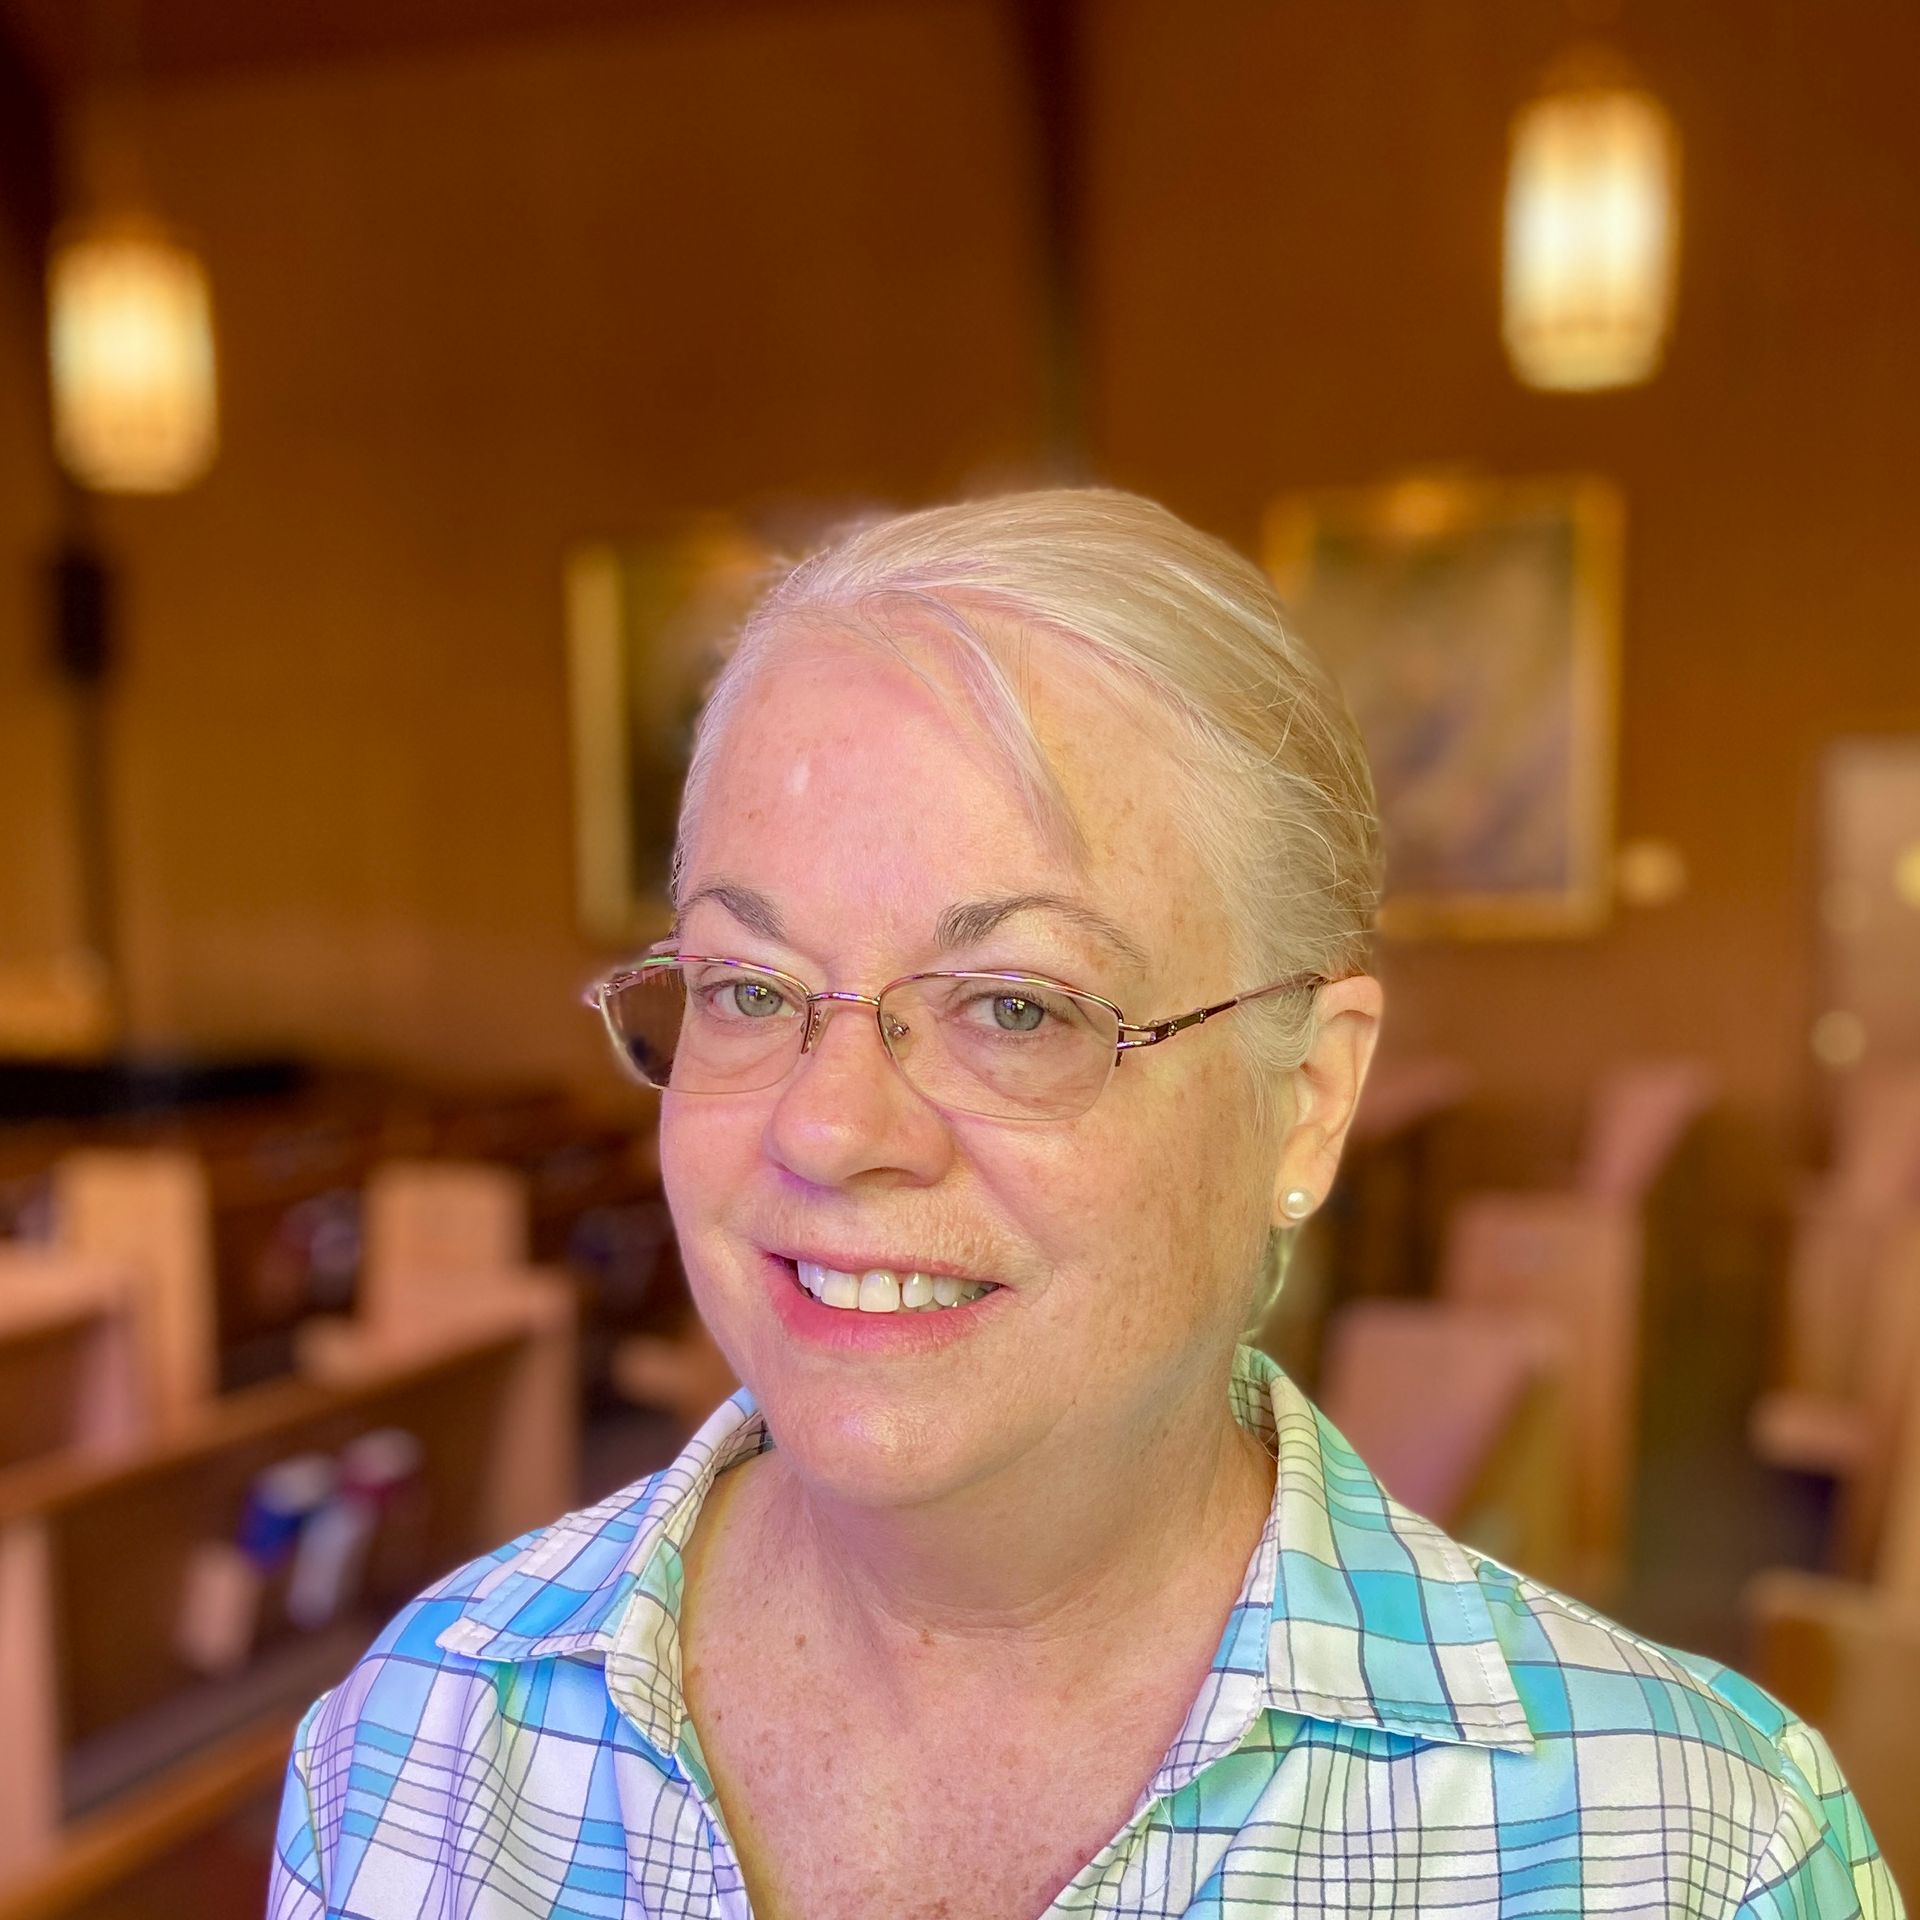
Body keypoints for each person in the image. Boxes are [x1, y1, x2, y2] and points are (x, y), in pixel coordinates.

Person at [269, 491, 1899, 1919]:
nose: (831, 1131)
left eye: (1019, 1007)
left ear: (1308, 1097)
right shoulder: (419, 1745)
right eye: (750, 988)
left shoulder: (1677, 1852)